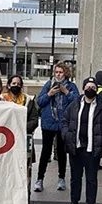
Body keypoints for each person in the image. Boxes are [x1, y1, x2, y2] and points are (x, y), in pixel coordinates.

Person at [61, 77, 102, 204]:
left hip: (92, 149)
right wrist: (66, 136)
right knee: (75, 178)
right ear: (83, 88)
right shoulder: (74, 104)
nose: (91, 89)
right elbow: (64, 121)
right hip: (76, 148)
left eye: (93, 88)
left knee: (91, 179)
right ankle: (74, 203)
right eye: (88, 87)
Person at [35, 62, 79, 192]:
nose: (59, 75)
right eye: (56, 72)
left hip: (63, 123)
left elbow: (77, 102)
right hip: (48, 122)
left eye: (61, 72)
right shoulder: (48, 85)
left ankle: (61, 178)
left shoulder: (71, 86)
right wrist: (49, 94)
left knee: (61, 152)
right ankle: (40, 179)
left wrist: (66, 92)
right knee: (45, 151)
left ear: (66, 73)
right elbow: (40, 102)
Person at [3, 75, 40, 194]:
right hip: (4, 142)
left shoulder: (28, 100)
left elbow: (34, 120)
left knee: (24, 173)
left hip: (24, 141)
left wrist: (19, 129)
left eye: (18, 84)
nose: (16, 86)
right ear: (8, 85)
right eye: (13, 84)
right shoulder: (1, 100)